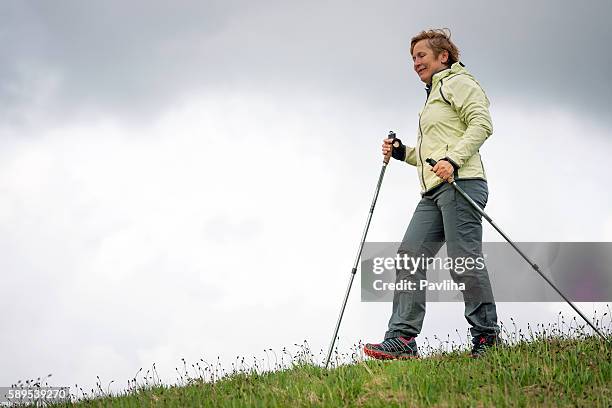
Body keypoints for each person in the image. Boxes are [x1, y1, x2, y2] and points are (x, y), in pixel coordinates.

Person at [363, 28, 500, 360]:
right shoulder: (433, 95)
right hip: (434, 192)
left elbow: (482, 124)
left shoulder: (459, 83)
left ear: (444, 56)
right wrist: (401, 152)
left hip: (463, 183)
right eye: (412, 58)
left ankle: (486, 336)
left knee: (463, 261)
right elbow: (430, 155)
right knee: (409, 254)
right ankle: (403, 340)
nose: (415, 63)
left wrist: (453, 160)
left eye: (421, 55)